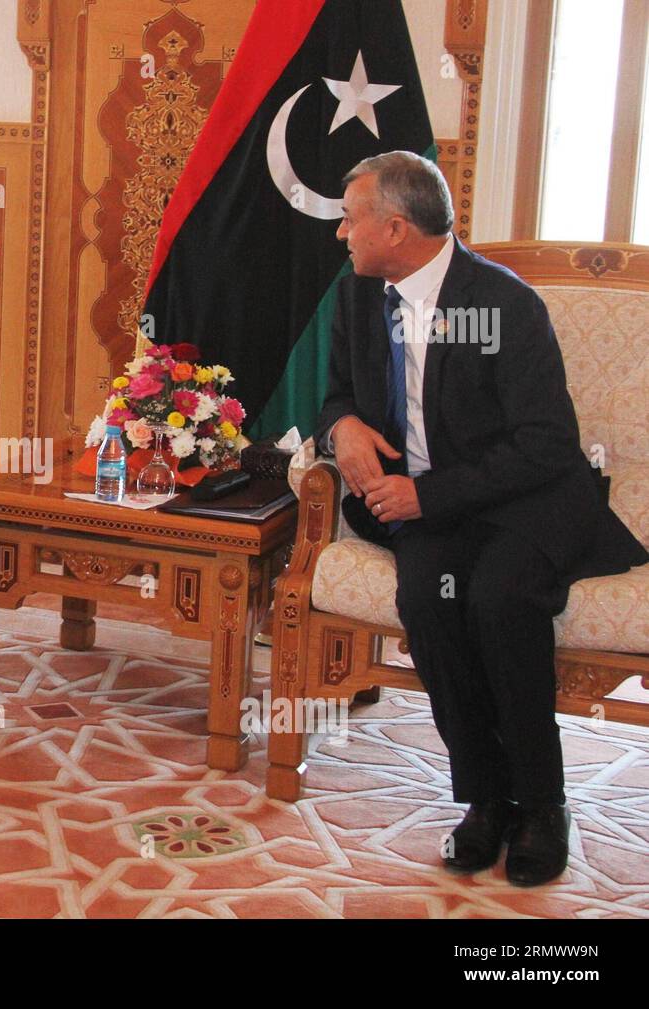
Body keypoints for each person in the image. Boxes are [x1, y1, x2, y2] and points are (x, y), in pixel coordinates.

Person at [318, 150, 647, 885]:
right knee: (426, 601)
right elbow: (336, 395)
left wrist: (427, 497)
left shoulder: (502, 304)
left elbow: (545, 444)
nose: (343, 235)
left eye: (351, 219)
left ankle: (542, 802)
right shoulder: (357, 298)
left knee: (500, 598)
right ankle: (486, 798)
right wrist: (340, 427)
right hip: (435, 505)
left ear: (396, 228)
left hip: (526, 498)